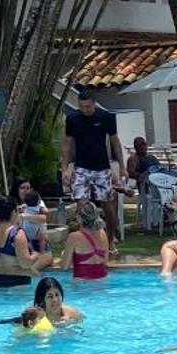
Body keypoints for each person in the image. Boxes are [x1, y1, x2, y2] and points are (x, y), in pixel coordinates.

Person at [61, 86, 125, 242]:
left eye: (88, 106)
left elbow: (115, 142)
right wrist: (64, 169)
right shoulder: (73, 119)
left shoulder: (106, 117)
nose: (85, 110)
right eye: (81, 107)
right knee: (81, 206)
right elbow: (67, 144)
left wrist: (122, 167)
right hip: (81, 167)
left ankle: (110, 239)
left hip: (102, 167)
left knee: (108, 206)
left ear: (94, 104)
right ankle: (86, 241)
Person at [0, 196, 40, 289]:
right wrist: (35, 255)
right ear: (14, 212)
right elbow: (25, 263)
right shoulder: (17, 233)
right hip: (17, 282)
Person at [14, 177, 57, 266]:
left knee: (45, 263)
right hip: (24, 241)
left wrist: (25, 216)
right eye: (22, 188)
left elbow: (44, 216)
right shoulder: (15, 204)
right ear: (17, 189)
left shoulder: (37, 201)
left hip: (38, 238)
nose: (26, 190)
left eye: (28, 188)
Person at [66, 202, 111, 282]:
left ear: (79, 218)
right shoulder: (102, 233)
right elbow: (105, 262)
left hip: (82, 283)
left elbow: (65, 266)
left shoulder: (74, 237)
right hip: (102, 281)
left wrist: (64, 254)